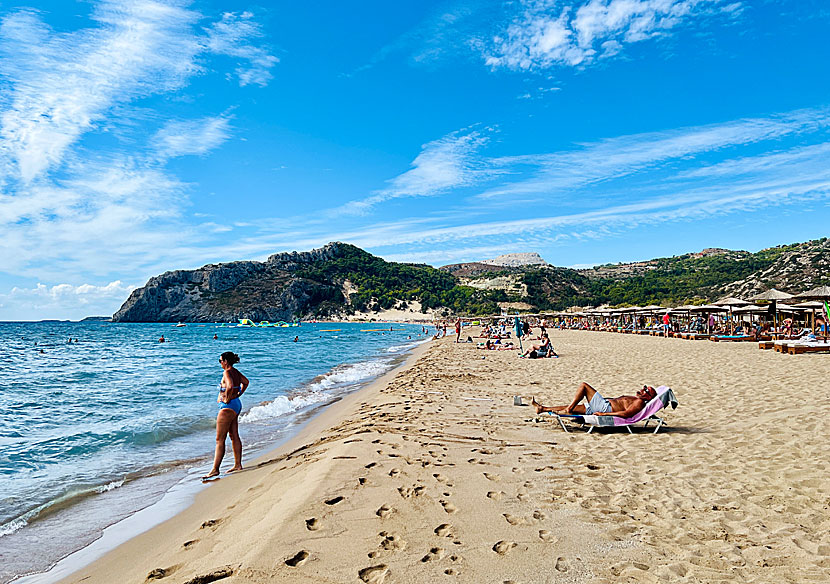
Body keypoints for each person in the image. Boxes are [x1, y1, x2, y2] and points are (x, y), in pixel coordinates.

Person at [203, 351, 249, 479]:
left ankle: (215, 470)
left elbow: (229, 386)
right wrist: (238, 395)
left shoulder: (227, 372)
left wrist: (227, 398)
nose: (220, 363)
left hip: (227, 408)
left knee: (219, 440)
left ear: (226, 361)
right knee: (234, 435)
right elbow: (246, 382)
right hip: (236, 404)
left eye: (220, 361)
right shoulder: (235, 372)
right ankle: (238, 465)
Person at [531, 382, 656, 418]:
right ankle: (542, 409)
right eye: (644, 387)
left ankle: (568, 410)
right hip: (604, 405)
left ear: (649, 397)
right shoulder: (637, 399)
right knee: (574, 406)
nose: (642, 389)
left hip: (604, 408)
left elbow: (626, 414)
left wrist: (604, 414)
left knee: (584, 386)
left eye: (646, 390)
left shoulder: (639, 402)